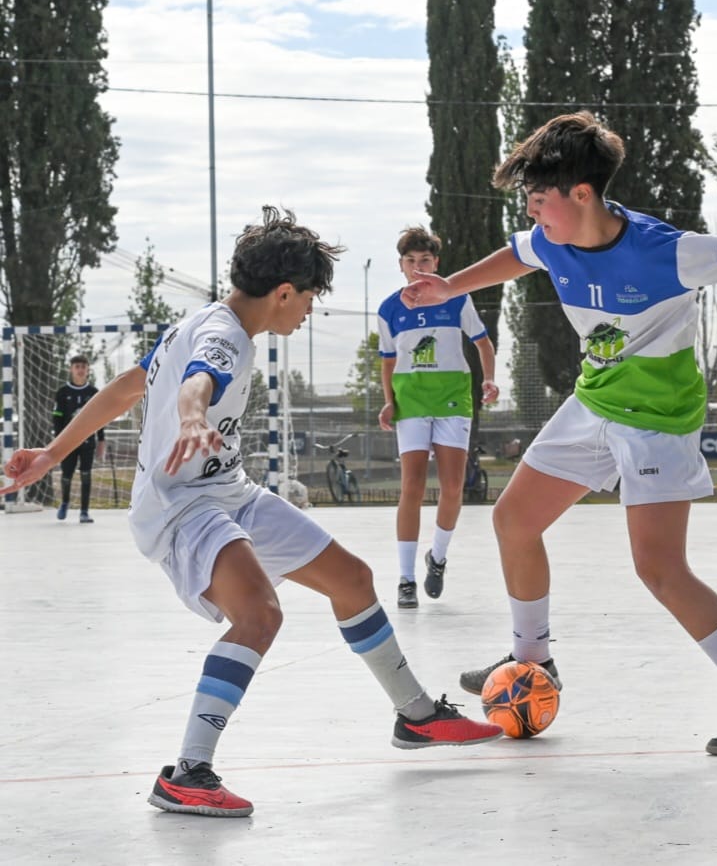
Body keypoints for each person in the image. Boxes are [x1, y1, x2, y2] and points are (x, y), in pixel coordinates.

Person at [402, 111, 717, 756]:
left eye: (539, 201)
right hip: (593, 403)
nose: (533, 215)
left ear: (582, 193)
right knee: (514, 521)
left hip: (657, 421)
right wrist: (449, 287)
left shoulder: (668, 251)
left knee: (660, 569)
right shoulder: (550, 239)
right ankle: (533, 660)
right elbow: (514, 257)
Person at [1, 206, 502, 818]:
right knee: (259, 615)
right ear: (284, 292)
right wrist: (192, 416)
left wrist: (52, 453)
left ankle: (416, 716)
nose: (309, 310)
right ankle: (187, 774)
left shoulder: (201, 322)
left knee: (351, 579)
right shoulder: (225, 338)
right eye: (310, 298)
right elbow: (197, 383)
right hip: (181, 506)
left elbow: (130, 385)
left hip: (229, 491)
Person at [377, 226, 498, 609]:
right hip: (411, 402)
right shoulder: (389, 308)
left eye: (425, 260)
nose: (418, 267)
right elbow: (388, 361)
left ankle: (438, 557)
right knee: (411, 487)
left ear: (436, 263)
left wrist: (490, 379)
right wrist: (389, 401)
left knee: (453, 487)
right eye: (410, 261)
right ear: (401, 265)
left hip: (453, 399)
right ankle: (406, 578)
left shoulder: (456, 298)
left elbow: (483, 343)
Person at [52, 355, 106, 523]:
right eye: (77, 366)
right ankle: (65, 502)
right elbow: (57, 419)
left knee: (86, 474)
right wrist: (58, 442)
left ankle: (84, 511)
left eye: (83, 366)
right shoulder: (63, 392)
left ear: (88, 369)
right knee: (67, 474)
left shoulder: (94, 392)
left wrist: (101, 440)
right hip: (68, 442)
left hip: (87, 441)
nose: (80, 370)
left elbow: (100, 418)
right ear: (71, 369)